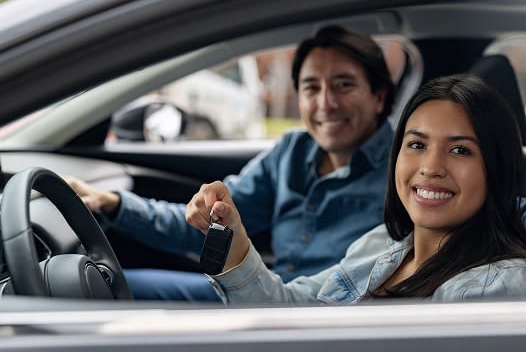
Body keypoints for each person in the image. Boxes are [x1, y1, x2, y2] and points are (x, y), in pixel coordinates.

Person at [66, 25, 396, 301]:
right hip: (260, 294)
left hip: (331, 318)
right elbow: (205, 227)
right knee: (109, 286)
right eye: (312, 87)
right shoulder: (291, 151)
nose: (326, 103)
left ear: (378, 96)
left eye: (344, 85)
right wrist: (112, 203)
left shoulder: (406, 168)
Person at [186, 74, 526, 304]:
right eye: (417, 145)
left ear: (497, 167)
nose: (431, 168)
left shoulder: (495, 287)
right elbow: (287, 311)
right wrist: (234, 236)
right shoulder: (383, 244)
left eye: (460, 150)